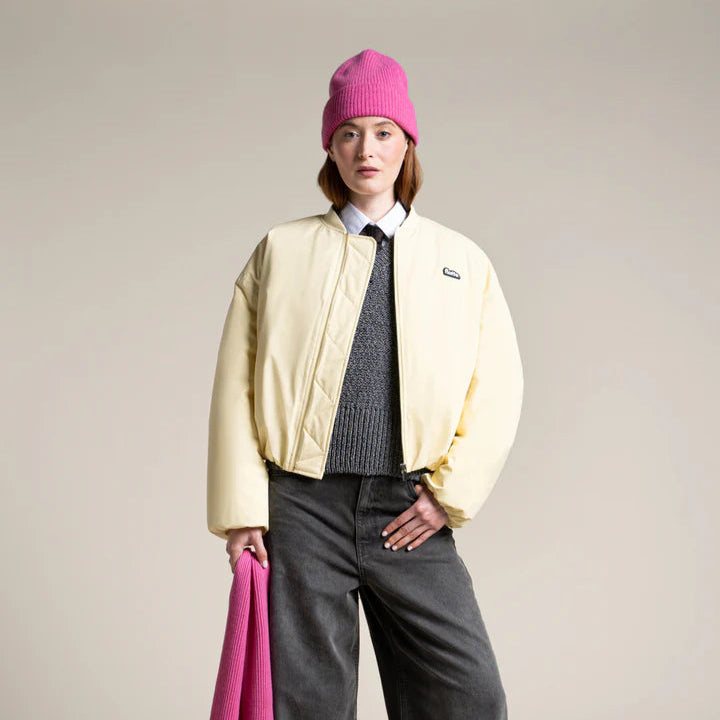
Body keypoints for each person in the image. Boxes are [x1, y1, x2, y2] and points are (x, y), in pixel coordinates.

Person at [207, 48, 524, 720]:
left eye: (383, 132)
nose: (366, 149)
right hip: (301, 508)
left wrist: (449, 498)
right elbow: (236, 385)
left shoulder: (461, 261)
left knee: (468, 696)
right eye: (348, 133)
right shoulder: (281, 250)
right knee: (309, 704)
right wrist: (242, 511)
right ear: (330, 147)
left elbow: (497, 389)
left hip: (408, 506)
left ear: (407, 144)